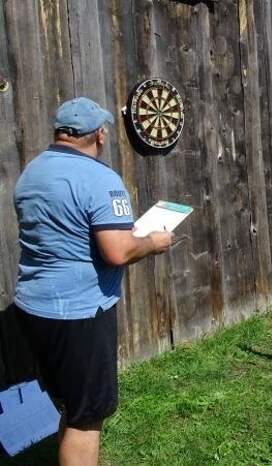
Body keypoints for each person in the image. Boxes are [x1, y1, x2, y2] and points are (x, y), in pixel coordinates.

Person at [13, 97, 174, 466]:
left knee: (70, 400)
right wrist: (153, 241)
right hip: (79, 314)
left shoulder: (32, 172)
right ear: (99, 135)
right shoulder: (101, 178)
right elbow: (116, 252)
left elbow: (66, 229)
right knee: (88, 416)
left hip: (34, 307)